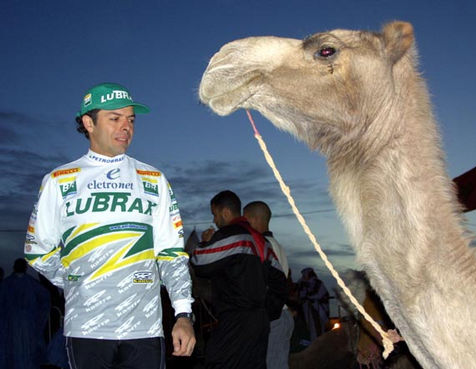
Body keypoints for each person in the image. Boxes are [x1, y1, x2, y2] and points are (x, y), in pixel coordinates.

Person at [24, 82, 195, 369]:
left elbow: (172, 254)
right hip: (86, 329)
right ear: (88, 123)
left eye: (130, 119)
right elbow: (37, 251)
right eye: (114, 119)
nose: (125, 127)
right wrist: (75, 280)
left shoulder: (153, 179)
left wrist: (184, 314)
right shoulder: (59, 179)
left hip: (145, 330)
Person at [191, 190, 287, 369]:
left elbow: (199, 262)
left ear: (225, 212)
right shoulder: (262, 241)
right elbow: (280, 282)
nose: (214, 220)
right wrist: (266, 313)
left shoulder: (231, 235)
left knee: (218, 363)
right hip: (259, 323)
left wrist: (205, 243)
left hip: (235, 322)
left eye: (215, 214)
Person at [243, 201, 294, 369]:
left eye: (246, 220)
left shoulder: (263, 246)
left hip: (274, 318)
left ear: (255, 219)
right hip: (280, 315)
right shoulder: (275, 244)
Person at [0, 258, 50, 369]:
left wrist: (37, 316)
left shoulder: (31, 283)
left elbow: (45, 299)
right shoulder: (6, 284)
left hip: (28, 326)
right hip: (11, 326)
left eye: (21, 265)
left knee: (28, 351)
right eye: (18, 265)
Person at [297, 267, 330, 341]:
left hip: (317, 310)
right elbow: (300, 296)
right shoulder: (302, 284)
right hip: (307, 310)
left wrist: (308, 297)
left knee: (317, 329)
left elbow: (319, 294)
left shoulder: (318, 283)